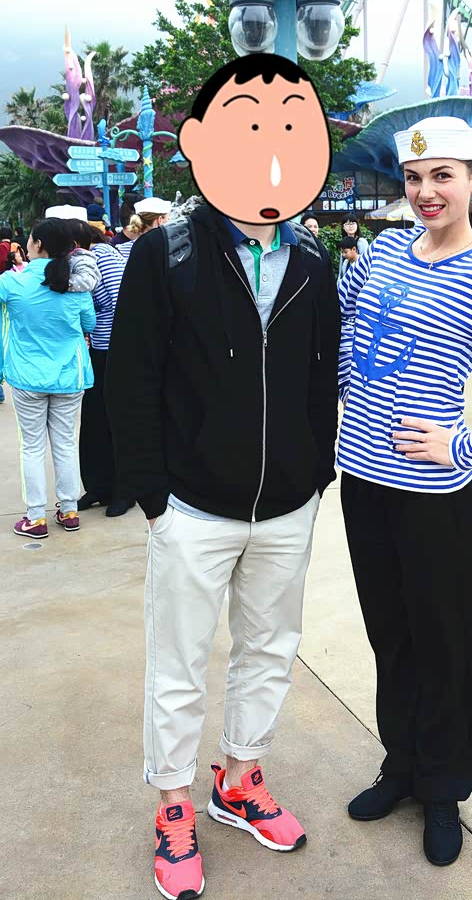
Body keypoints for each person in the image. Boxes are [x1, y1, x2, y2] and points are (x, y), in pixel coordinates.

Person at [105, 54, 340, 900]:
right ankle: (174, 804)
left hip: (287, 505)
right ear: (203, 144)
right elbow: (131, 379)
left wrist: (316, 472)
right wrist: (153, 495)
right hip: (192, 506)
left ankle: (239, 779)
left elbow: (321, 376)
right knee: (178, 661)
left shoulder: (312, 260)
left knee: (270, 648)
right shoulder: (165, 254)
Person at [337, 116, 472, 868]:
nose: (426, 192)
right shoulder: (384, 252)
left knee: (443, 644)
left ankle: (442, 787)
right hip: (362, 480)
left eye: (443, 177)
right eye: (414, 178)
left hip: (431, 495)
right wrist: (346, 403)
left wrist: (460, 446)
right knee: (390, 635)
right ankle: (400, 764)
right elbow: (347, 323)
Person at [0, 218, 95, 539]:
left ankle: (35, 517)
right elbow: (89, 324)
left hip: (26, 377)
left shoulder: (12, 283)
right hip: (69, 375)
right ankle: (69, 510)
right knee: (66, 443)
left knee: (32, 446)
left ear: (38, 244)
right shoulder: (75, 285)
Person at [75, 223, 130, 516]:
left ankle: (124, 490)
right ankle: (97, 487)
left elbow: (120, 300)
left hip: (115, 349)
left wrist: (89, 311)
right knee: (93, 420)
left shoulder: (103, 255)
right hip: (97, 348)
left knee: (116, 419)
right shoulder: (79, 260)